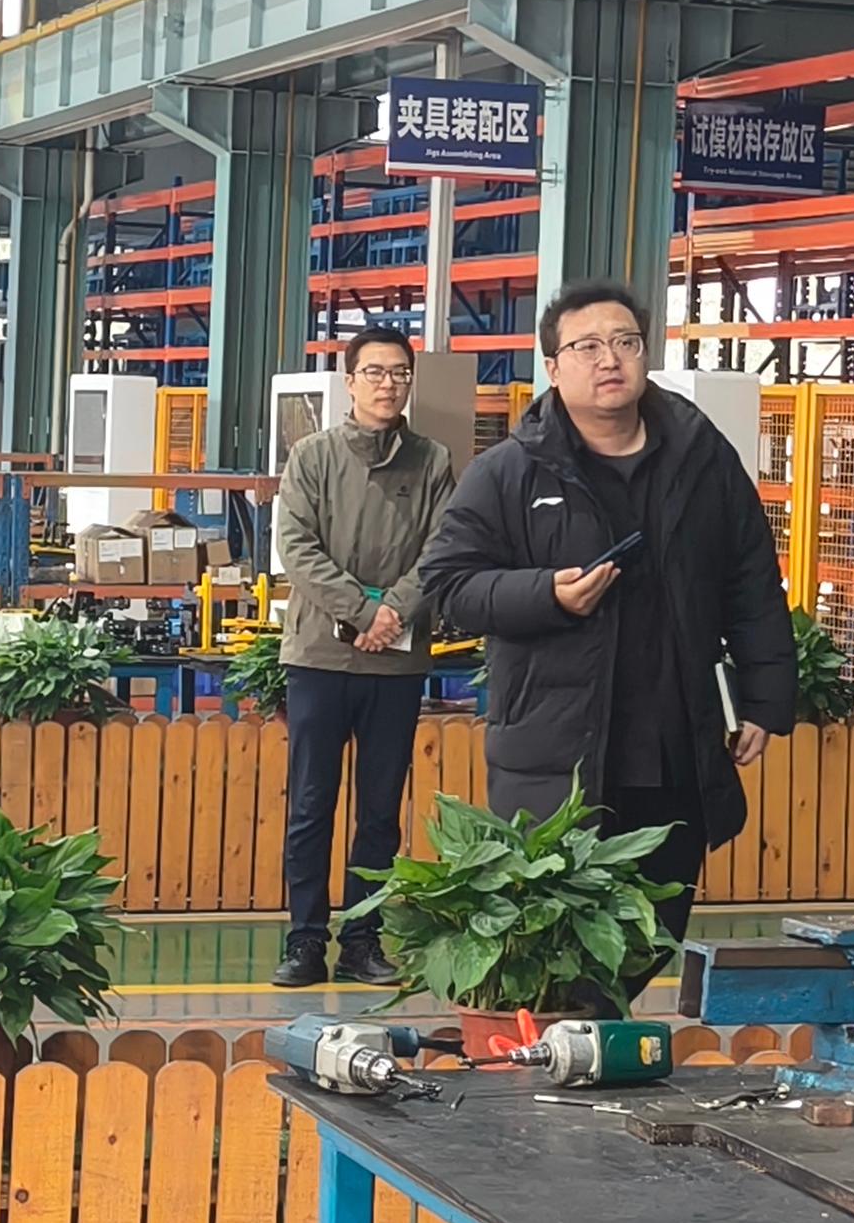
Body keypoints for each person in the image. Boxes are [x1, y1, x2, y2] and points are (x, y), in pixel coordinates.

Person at [418, 282, 796, 948]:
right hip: (557, 751)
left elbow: (752, 583)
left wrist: (766, 700)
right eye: (587, 346)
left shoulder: (702, 460)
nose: (609, 359)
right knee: (561, 945)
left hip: (674, 748)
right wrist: (546, 595)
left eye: (625, 342)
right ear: (553, 366)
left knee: (655, 931)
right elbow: (448, 584)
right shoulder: (510, 472)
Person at [268, 324, 460, 989]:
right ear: (349, 382)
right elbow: (297, 545)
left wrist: (394, 613)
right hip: (320, 658)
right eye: (374, 372)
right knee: (311, 804)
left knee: (380, 810)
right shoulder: (313, 456)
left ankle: (362, 941)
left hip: (396, 663)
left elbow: (442, 548)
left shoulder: (432, 461)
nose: (388, 384)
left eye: (399, 373)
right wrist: (360, 610)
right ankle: (304, 941)